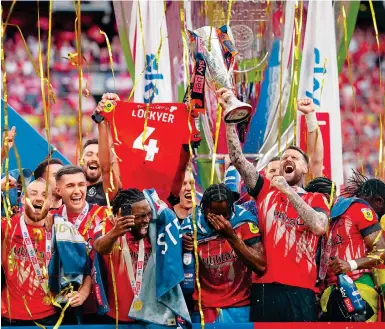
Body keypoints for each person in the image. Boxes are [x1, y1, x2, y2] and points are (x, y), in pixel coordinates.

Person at [219, 88, 330, 322]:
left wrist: (288, 191)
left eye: (295, 158)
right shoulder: (265, 190)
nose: (288, 159)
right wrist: (229, 115)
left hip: (301, 290)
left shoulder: (316, 199)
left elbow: (319, 227)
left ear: (305, 169)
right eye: (285, 157)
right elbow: (238, 159)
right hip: (264, 287)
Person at [181, 183, 266, 323]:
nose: (220, 219)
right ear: (204, 209)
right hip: (205, 308)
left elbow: (260, 266)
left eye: (225, 214)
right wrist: (184, 247)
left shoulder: (243, 221)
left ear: (232, 208)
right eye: (214, 214)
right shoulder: (191, 225)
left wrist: (231, 236)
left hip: (240, 306)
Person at [317, 172, 385, 322]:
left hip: (358, 289)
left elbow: (382, 252)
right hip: (334, 292)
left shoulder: (345, 211)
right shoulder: (333, 217)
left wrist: (350, 264)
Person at [53, 165, 108, 322]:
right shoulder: (51, 218)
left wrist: (85, 291)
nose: (77, 190)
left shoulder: (103, 215)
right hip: (59, 306)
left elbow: (99, 259)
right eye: (70, 186)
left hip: (97, 305)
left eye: (81, 184)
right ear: (58, 191)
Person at [1, 179, 57, 326]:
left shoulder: (60, 229)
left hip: (50, 316)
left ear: (51, 202)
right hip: (9, 316)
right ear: (22, 200)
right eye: (33, 193)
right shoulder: (6, 227)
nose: (39, 198)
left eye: (44, 195)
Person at [92, 188, 152, 324]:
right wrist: (116, 232)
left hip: (150, 315)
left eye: (149, 214)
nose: (147, 220)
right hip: (117, 317)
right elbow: (100, 248)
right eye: (140, 216)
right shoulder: (106, 226)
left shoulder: (153, 228)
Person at [81, 138, 120, 207]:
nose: (94, 159)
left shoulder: (110, 188)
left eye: (99, 156)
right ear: (81, 160)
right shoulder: (70, 189)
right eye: (89, 154)